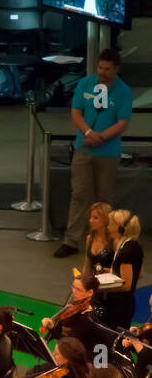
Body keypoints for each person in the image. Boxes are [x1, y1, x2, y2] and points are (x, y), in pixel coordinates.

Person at [56, 49, 133, 258]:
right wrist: (89, 133)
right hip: (83, 148)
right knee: (79, 194)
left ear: (116, 70)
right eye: (100, 67)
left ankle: (103, 241)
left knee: (104, 198)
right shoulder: (85, 84)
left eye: (107, 69)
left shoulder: (124, 91)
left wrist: (100, 138)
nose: (103, 72)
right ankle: (71, 240)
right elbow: (76, 112)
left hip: (108, 152)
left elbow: (122, 123)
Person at [100, 210, 143, 330]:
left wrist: (100, 286)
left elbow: (126, 285)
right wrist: (111, 272)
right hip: (120, 304)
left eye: (110, 224)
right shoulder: (126, 245)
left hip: (120, 307)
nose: (108, 227)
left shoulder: (127, 250)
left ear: (120, 228)